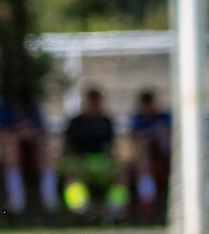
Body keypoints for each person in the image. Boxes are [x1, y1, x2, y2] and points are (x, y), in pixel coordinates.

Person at [59, 87, 124, 220]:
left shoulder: (106, 122)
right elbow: (67, 147)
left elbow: (112, 148)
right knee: (70, 175)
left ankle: (114, 209)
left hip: (102, 161)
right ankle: (80, 209)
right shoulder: (76, 123)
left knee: (121, 174)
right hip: (80, 161)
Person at [0, 94, 54, 215]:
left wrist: (28, 134)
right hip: (13, 157)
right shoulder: (4, 111)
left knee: (46, 151)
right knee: (11, 150)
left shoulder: (34, 111)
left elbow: (42, 134)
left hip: (33, 155)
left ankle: (50, 201)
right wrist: (19, 135)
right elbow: (0, 135)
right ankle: (16, 203)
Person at [127, 89, 173, 221]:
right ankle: (147, 200)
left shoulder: (164, 118)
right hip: (147, 162)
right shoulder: (137, 120)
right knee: (143, 152)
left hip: (166, 157)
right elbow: (134, 138)